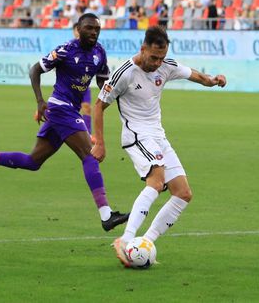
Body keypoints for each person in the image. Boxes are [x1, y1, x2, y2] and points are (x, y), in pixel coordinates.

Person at [0, 13, 129, 232]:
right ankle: (106, 215)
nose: (93, 32)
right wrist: (40, 102)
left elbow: (102, 80)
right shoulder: (66, 50)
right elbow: (35, 70)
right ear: (79, 29)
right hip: (59, 108)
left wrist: (110, 93)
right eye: (89, 28)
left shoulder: (99, 53)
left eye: (97, 29)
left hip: (68, 111)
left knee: (32, 161)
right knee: (89, 154)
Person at [90, 26, 227, 267]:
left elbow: (192, 74)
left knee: (183, 194)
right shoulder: (125, 73)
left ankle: (145, 243)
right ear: (143, 49)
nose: (157, 63)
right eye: (153, 57)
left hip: (158, 135)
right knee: (156, 181)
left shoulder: (165, 65)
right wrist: (99, 142)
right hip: (136, 134)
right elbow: (99, 105)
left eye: (161, 58)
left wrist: (212, 81)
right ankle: (126, 239)